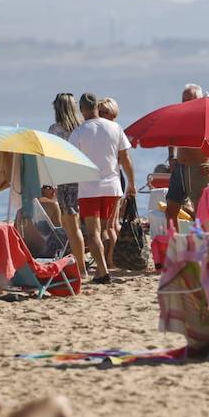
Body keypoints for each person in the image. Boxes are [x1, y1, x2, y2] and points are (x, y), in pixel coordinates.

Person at [69, 92, 134, 285]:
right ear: (97, 107)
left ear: (81, 110)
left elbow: (71, 161)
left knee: (93, 233)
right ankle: (101, 268)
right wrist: (131, 183)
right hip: (112, 187)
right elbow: (126, 159)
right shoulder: (115, 128)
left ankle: (103, 270)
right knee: (105, 230)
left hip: (90, 188)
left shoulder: (79, 132)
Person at [48, 93, 88, 280]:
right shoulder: (83, 128)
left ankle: (81, 269)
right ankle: (79, 266)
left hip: (65, 181)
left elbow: (50, 158)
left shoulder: (54, 130)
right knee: (77, 226)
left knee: (72, 228)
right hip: (83, 180)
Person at [164, 84, 209, 226]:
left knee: (201, 213)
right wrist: (171, 156)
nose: (187, 103)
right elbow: (170, 136)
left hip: (199, 168)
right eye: (184, 100)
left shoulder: (207, 115)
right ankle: (174, 244)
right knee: (171, 210)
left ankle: (204, 245)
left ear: (200, 99)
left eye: (190, 99)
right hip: (180, 167)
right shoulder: (180, 116)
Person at [96, 98, 125, 265]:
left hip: (113, 178)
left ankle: (111, 260)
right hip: (114, 178)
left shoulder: (113, 131)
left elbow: (123, 158)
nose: (99, 116)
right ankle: (112, 259)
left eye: (102, 112)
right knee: (110, 224)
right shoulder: (111, 131)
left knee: (109, 225)